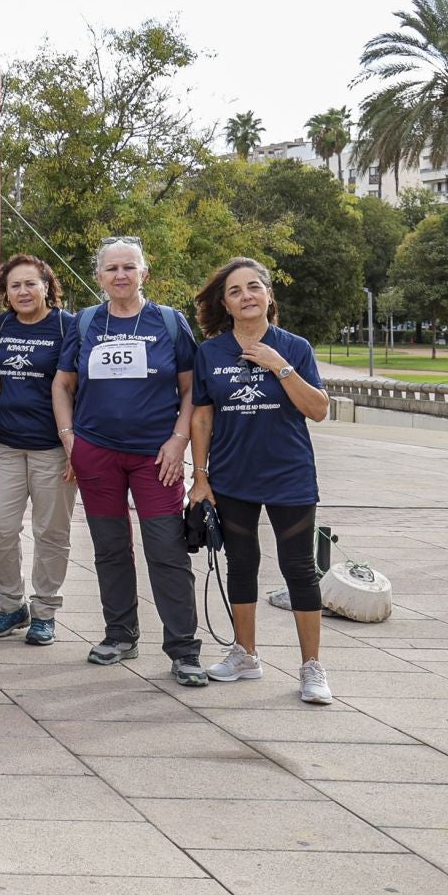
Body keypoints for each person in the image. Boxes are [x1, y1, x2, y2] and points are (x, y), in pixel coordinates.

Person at [53, 237, 204, 686]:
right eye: (111, 268)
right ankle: (120, 634)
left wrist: (179, 440)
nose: (120, 275)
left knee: (166, 549)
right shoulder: (84, 324)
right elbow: (63, 385)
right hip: (97, 452)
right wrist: (70, 441)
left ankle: (183, 650)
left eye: (129, 267)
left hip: (157, 456)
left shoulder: (170, 324)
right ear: (99, 276)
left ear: (144, 273)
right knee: (110, 547)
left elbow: (192, 389)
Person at [190, 258, 333, 704]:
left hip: (289, 476)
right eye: (235, 291)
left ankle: (312, 667)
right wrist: (200, 478)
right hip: (233, 477)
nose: (246, 296)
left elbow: (318, 409)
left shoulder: (294, 346)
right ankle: (245, 654)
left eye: (254, 287)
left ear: (269, 296)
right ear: (226, 304)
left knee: (300, 570)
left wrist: (279, 365)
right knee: (242, 564)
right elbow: (202, 416)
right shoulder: (210, 352)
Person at [0, 255, 78, 645]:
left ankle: (45, 612)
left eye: (30, 284)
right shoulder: (0, 326)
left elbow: (78, 387)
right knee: (0, 526)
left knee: (51, 531)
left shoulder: (67, 326)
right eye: (14, 285)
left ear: (46, 286)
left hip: (54, 449)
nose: (22, 291)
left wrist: (75, 445)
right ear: (5, 292)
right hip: (6, 444)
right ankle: (11, 606)